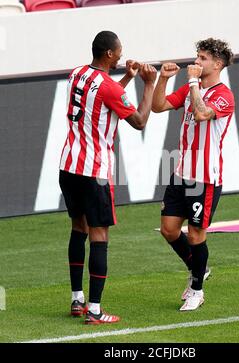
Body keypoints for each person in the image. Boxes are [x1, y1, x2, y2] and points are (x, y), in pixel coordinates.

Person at [59, 30, 157, 324]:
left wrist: (125, 80)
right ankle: (95, 310)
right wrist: (148, 85)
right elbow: (139, 121)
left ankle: (78, 299)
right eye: (119, 51)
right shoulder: (109, 87)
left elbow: (100, 96)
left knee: (79, 229)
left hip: (68, 165)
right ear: (109, 54)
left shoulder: (77, 74)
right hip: (94, 171)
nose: (122, 55)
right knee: (99, 235)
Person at [152, 38, 234, 311]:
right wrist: (162, 79)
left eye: (203, 58)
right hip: (181, 172)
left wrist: (193, 84)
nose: (196, 62)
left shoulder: (224, 95)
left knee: (197, 233)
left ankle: (197, 290)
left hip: (205, 178)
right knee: (169, 229)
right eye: (197, 57)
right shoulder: (192, 89)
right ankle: (198, 268)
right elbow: (159, 105)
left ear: (218, 64)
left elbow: (201, 114)